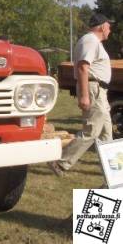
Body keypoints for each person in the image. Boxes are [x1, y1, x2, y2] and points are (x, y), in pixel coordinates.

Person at [48, 13, 114, 177]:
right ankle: (61, 162)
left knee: (106, 135)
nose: (110, 29)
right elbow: (83, 68)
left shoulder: (93, 41)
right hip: (94, 89)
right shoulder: (90, 40)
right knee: (91, 131)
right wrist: (85, 95)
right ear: (101, 26)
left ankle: (113, 171)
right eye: (108, 25)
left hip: (99, 90)